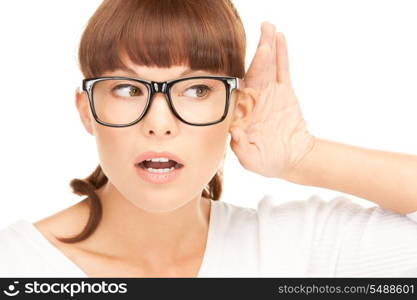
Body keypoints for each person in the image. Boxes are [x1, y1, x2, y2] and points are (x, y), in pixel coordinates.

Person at [1, 0, 417, 278]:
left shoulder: (295, 249)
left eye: (196, 89)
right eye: (128, 89)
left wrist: (304, 156)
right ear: (87, 109)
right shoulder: (15, 265)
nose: (159, 124)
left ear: (238, 109)